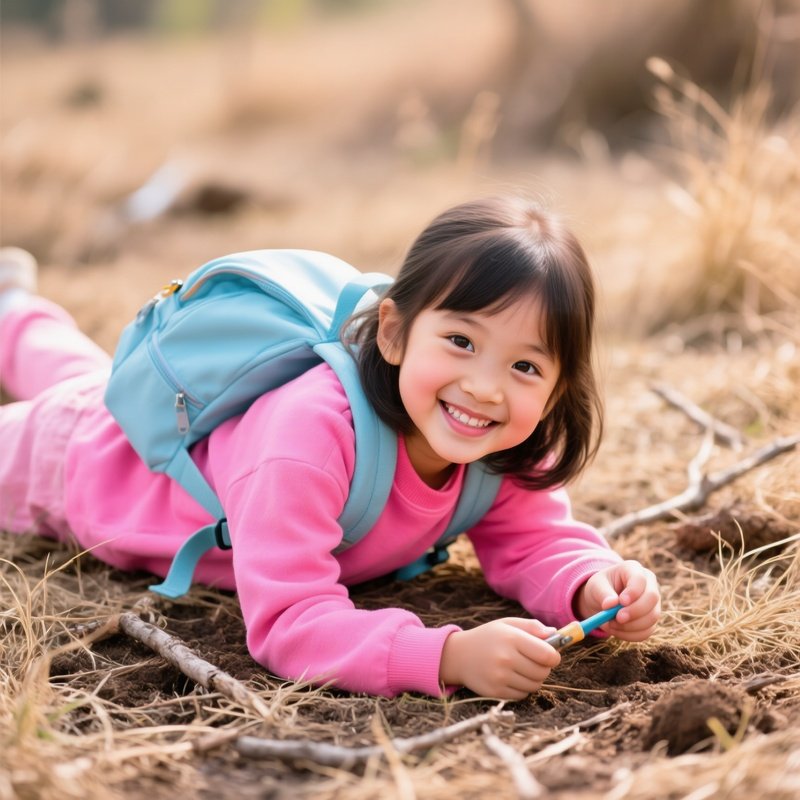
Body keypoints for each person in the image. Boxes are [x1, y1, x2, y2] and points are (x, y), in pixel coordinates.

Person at [0, 197, 660, 700]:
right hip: (83, 469)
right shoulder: (310, 437)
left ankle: (13, 310)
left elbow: (534, 538)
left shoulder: (507, 441)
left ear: (558, 387)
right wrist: (445, 656)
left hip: (130, 428)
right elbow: (290, 620)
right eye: (460, 341)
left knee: (80, 376)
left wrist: (587, 584)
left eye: (526, 367)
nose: (485, 388)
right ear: (395, 332)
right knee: (80, 400)